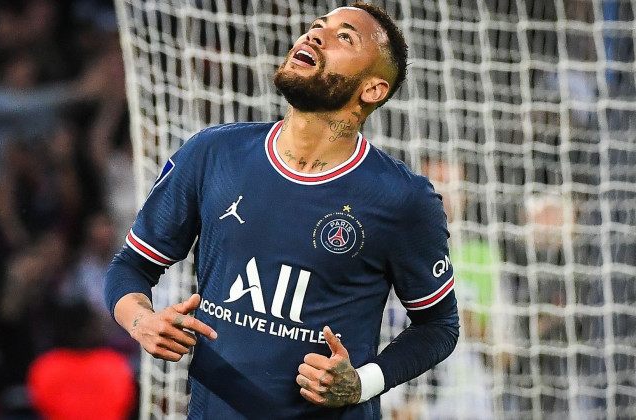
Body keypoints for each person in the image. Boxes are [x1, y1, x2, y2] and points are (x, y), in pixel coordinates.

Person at [104, 3, 459, 419]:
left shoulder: (402, 199)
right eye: (316, 26)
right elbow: (132, 265)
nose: (314, 35)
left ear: (373, 89)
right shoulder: (212, 154)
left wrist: (362, 383)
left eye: (344, 37)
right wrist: (141, 320)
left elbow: (439, 326)